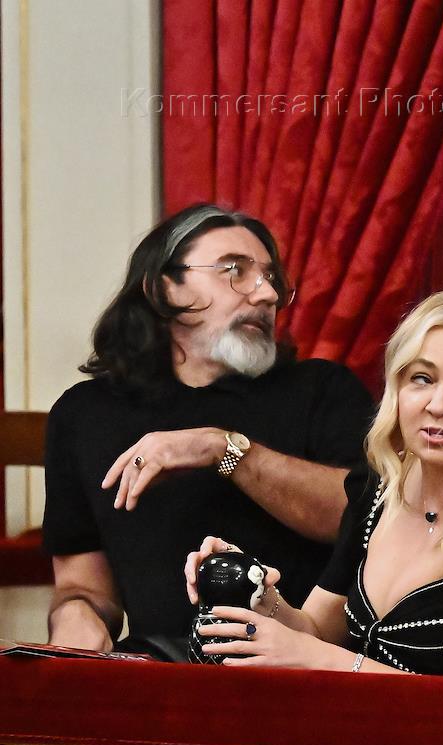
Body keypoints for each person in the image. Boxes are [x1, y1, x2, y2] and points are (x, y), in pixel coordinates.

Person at [43, 204, 374, 659]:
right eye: (234, 271)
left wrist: (222, 449)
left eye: (271, 278)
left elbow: (359, 518)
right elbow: (83, 584)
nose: (266, 294)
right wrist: (76, 614)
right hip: (159, 671)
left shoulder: (322, 389)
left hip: (306, 666)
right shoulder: (84, 413)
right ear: (162, 288)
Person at [185, 288, 443, 677]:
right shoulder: (378, 489)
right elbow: (315, 631)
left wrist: (322, 658)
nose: (437, 405)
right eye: (421, 378)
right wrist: (260, 593)